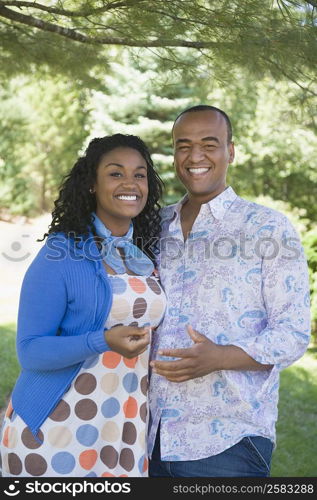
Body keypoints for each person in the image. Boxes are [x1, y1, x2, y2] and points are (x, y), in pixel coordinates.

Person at [148, 105, 311, 477]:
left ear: (231, 151)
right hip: (148, 435)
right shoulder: (155, 226)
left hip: (228, 443)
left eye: (210, 144)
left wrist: (220, 356)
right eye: (183, 145)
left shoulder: (267, 228)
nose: (195, 156)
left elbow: (293, 333)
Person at [0, 133, 166, 477]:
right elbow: (30, 351)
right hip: (57, 430)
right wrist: (102, 341)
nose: (130, 183)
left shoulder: (143, 254)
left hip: (123, 428)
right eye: (116, 173)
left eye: (139, 174)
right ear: (92, 183)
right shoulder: (62, 252)